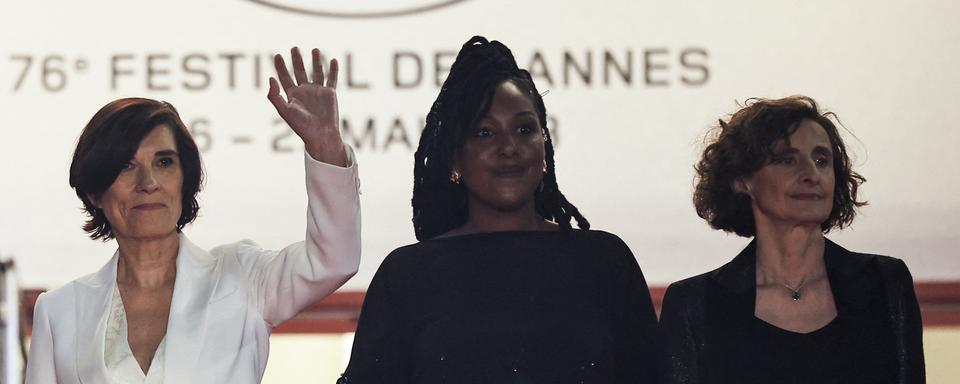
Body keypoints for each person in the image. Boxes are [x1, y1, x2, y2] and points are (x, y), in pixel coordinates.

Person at [25, 47, 360, 384]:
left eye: (164, 162)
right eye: (126, 166)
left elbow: (334, 260)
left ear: (184, 179)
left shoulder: (243, 278)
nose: (149, 183)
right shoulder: (59, 312)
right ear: (96, 192)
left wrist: (326, 147)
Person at [337, 36, 659, 383]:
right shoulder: (407, 276)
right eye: (485, 132)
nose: (509, 147)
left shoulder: (605, 262)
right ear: (455, 158)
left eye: (524, 129)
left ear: (544, 147)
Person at [659, 96, 925, 383]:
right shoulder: (695, 304)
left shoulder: (885, 282)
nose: (811, 174)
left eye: (822, 160)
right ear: (742, 179)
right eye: (787, 159)